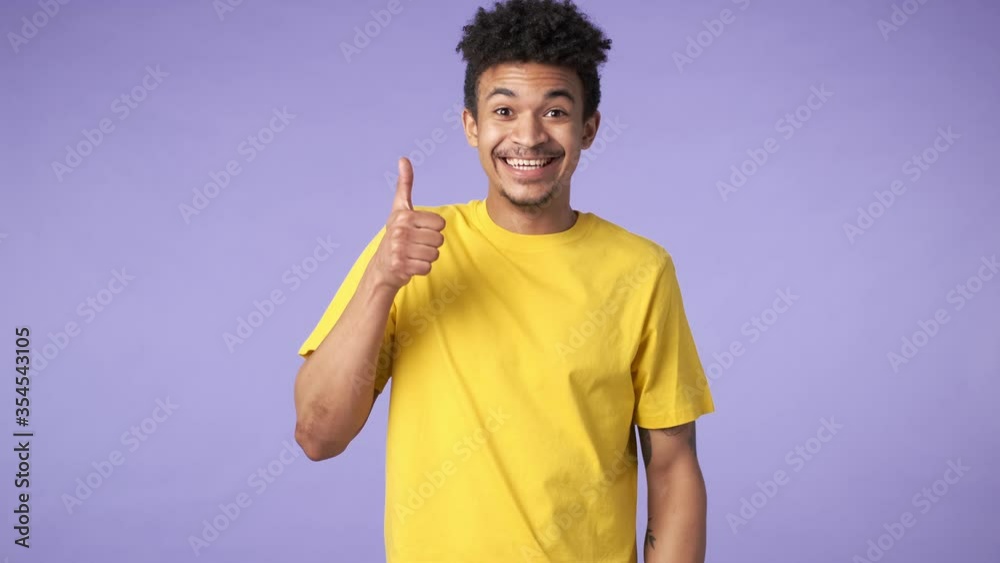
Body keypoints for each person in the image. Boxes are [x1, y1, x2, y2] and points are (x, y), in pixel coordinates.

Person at [293, 0, 715, 561]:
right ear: (472, 125)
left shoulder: (641, 270)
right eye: (505, 110)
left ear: (589, 128)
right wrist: (380, 280)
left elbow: (674, 466)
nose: (529, 136)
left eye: (556, 112)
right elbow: (318, 436)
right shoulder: (409, 250)